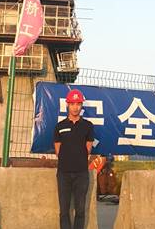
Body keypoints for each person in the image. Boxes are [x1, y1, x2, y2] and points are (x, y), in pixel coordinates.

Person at [54, 89, 94, 229]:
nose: (75, 107)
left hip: (81, 174)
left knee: (80, 210)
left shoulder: (88, 126)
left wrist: (78, 158)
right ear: (67, 105)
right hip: (63, 173)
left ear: (81, 105)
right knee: (64, 211)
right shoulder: (60, 126)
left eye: (78, 104)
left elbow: (88, 148)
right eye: (72, 104)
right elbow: (58, 150)